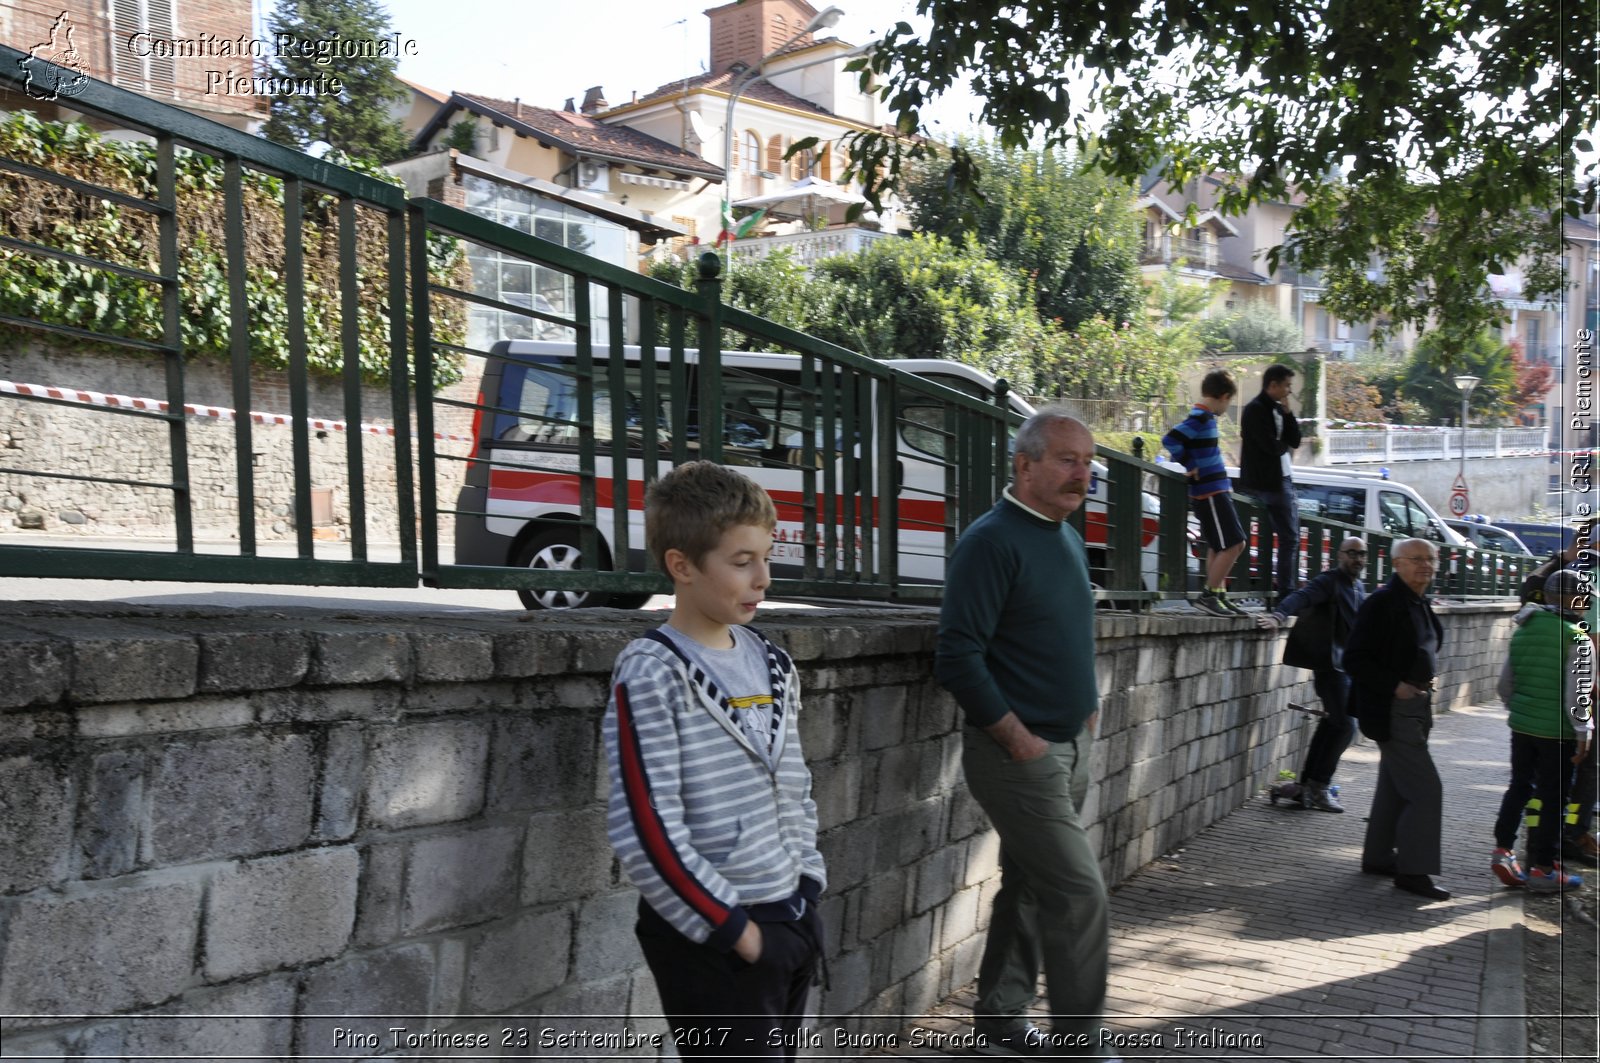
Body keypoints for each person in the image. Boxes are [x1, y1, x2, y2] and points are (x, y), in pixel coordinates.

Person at [602, 461, 825, 1059]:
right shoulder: (652, 671)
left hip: (788, 916)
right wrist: (738, 933)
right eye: (741, 561)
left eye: (766, 557)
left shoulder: (773, 663)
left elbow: (795, 788)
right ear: (682, 566)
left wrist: (807, 890)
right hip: (711, 937)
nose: (763, 579)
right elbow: (644, 824)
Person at [935, 409, 1109, 1058]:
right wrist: (1015, 737)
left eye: (1088, 462)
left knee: (1033, 884)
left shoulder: (1063, 534)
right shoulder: (991, 540)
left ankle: (1001, 1021)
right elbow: (957, 655)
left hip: (1071, 744)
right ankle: (1081, 1044)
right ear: (1025, 465)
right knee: (1080, 892)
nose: (1082, 473)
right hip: (1019, 753)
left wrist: (1086, 707)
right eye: (1067, 459)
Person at [1344, 537, 1450, 900]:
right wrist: (1396, 686)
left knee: (1394, 784)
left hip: (1417, 706)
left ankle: (1377, 858)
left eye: (1431, 559)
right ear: (1396, 564)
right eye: (1417, 559)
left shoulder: (1419, 602)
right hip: (1393, 708)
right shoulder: (1381, 603)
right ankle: (1413, 870)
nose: (1426, 565)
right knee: (1426, 790)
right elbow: (1354, 659)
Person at [1490, 569, 1593, 892]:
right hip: (1558, 734)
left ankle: (1503, 850)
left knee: (1519, 786)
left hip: (1522, 728)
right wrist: (1584, 733)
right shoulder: (1577, 637)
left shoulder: (1524, 628)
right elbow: (1576, 695)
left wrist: (1521, 712)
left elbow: (1504, 685)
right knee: (1553, 799)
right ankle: (1544, 869)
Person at [1255, 536, 1369, 812]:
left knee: (1333, 724)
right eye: (1351, 553)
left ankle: (1308, 786)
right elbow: (1301, 597)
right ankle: (1318, 787)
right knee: (1345, 725)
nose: (1357, 558)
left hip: (1348, 668)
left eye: (1362, 554)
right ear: (1340, 555)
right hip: (1331, 670)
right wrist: (1279, 616)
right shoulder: (1329, 581)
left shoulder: (1358, 586)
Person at [1163, 370, 1247, 617]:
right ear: (1223, 396)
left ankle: (1217, 595)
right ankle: (1209, 595)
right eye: (1229, 401)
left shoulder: (1204, 418)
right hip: (1210, 492)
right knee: (1235, 543)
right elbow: (1171, 440)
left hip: (1213, 490)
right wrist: (1190, 464)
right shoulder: (1200, 418)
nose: (1228, 406)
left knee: (1218, 546)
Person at [1238, 364, 1303, 597]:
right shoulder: (1255, 410)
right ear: (1273, 385)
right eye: (1286, 385)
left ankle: (1285, 590)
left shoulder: (1277, 409)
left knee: (1289, 537)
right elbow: (1270, 447)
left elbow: (1294, 440)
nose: (1289, 391)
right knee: (1289, 537)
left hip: (1281, 478)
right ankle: (1285, 591)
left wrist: (1288, 414)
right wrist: (1282, 444)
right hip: (1269, 481)